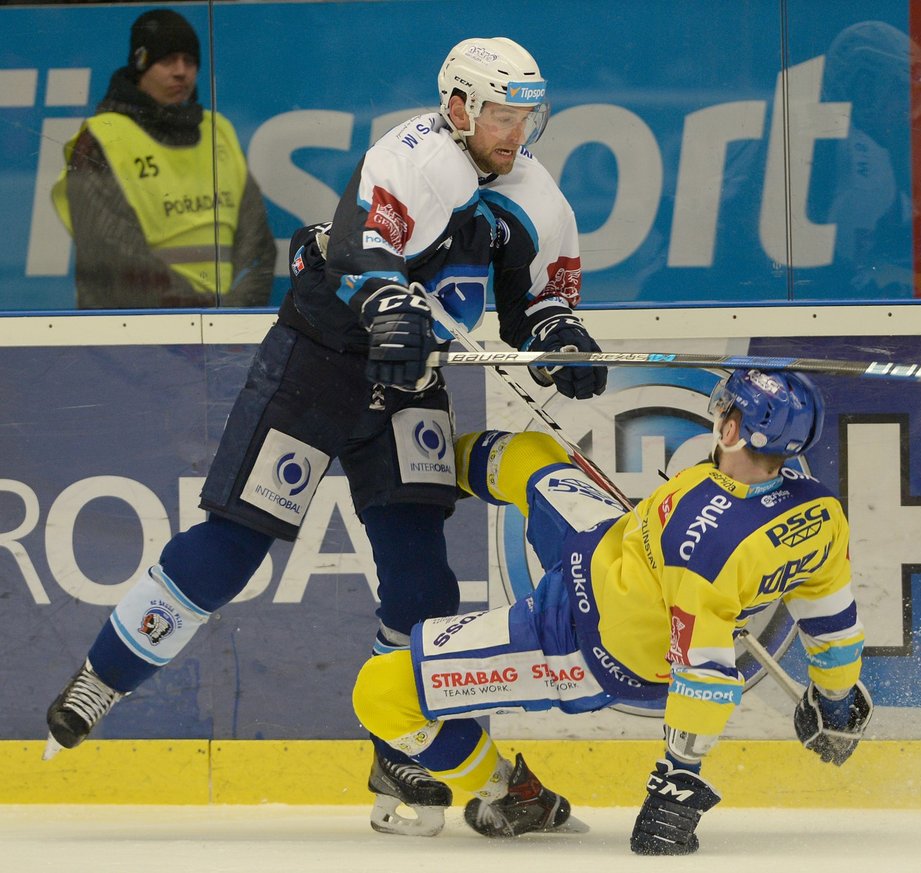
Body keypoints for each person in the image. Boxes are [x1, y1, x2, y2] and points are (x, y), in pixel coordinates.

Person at [43, 35, 607, 840]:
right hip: (317, 367)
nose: (515, 132)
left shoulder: (537, 198)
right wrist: (389, 306)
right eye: (500, 115)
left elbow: (535, 310)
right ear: (457, 106)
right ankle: (104, 675)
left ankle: (397, 745)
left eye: (526, 117)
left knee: (422, 578)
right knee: (236, 541)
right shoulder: (410, 157)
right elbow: (358, 255)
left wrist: (563, 346)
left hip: (410, 385)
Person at [352, 369, 872, 854]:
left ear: (733, 430)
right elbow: (833, 620)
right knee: (523, 454)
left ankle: (509, 793)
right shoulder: (818, 510)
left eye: (725, 410)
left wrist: (678, 780)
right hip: (602, 546)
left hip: (581, 638)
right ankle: (410, 484)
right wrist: (835, 696)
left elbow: (705, 670)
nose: (718, 416)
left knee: (380, 693)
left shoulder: (705, 549)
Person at [51, 8, 275, 308]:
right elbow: (112, 254)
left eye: (190, 61)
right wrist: (200, 313)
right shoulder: (103, 138)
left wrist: (231, 311)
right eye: (167, 60)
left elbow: (256, 244)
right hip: (131, 335)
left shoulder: (218, 131)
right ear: (141, 64)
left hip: (220, 330)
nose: (181, 71)